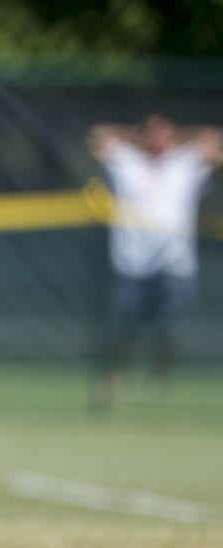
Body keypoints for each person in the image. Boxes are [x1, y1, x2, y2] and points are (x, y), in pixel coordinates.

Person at [87, 115, 223, 408]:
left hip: (175, 264)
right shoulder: (128, 162)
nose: (157, 139)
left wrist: (177, 135)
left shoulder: (183, 164)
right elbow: (98, 136)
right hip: (132, 263)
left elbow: (214, 142)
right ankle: (116, 375)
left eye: (163, 134)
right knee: (125, 324)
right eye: (151, 134)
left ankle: (159, 375)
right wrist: (137, 135)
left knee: (169, 328)